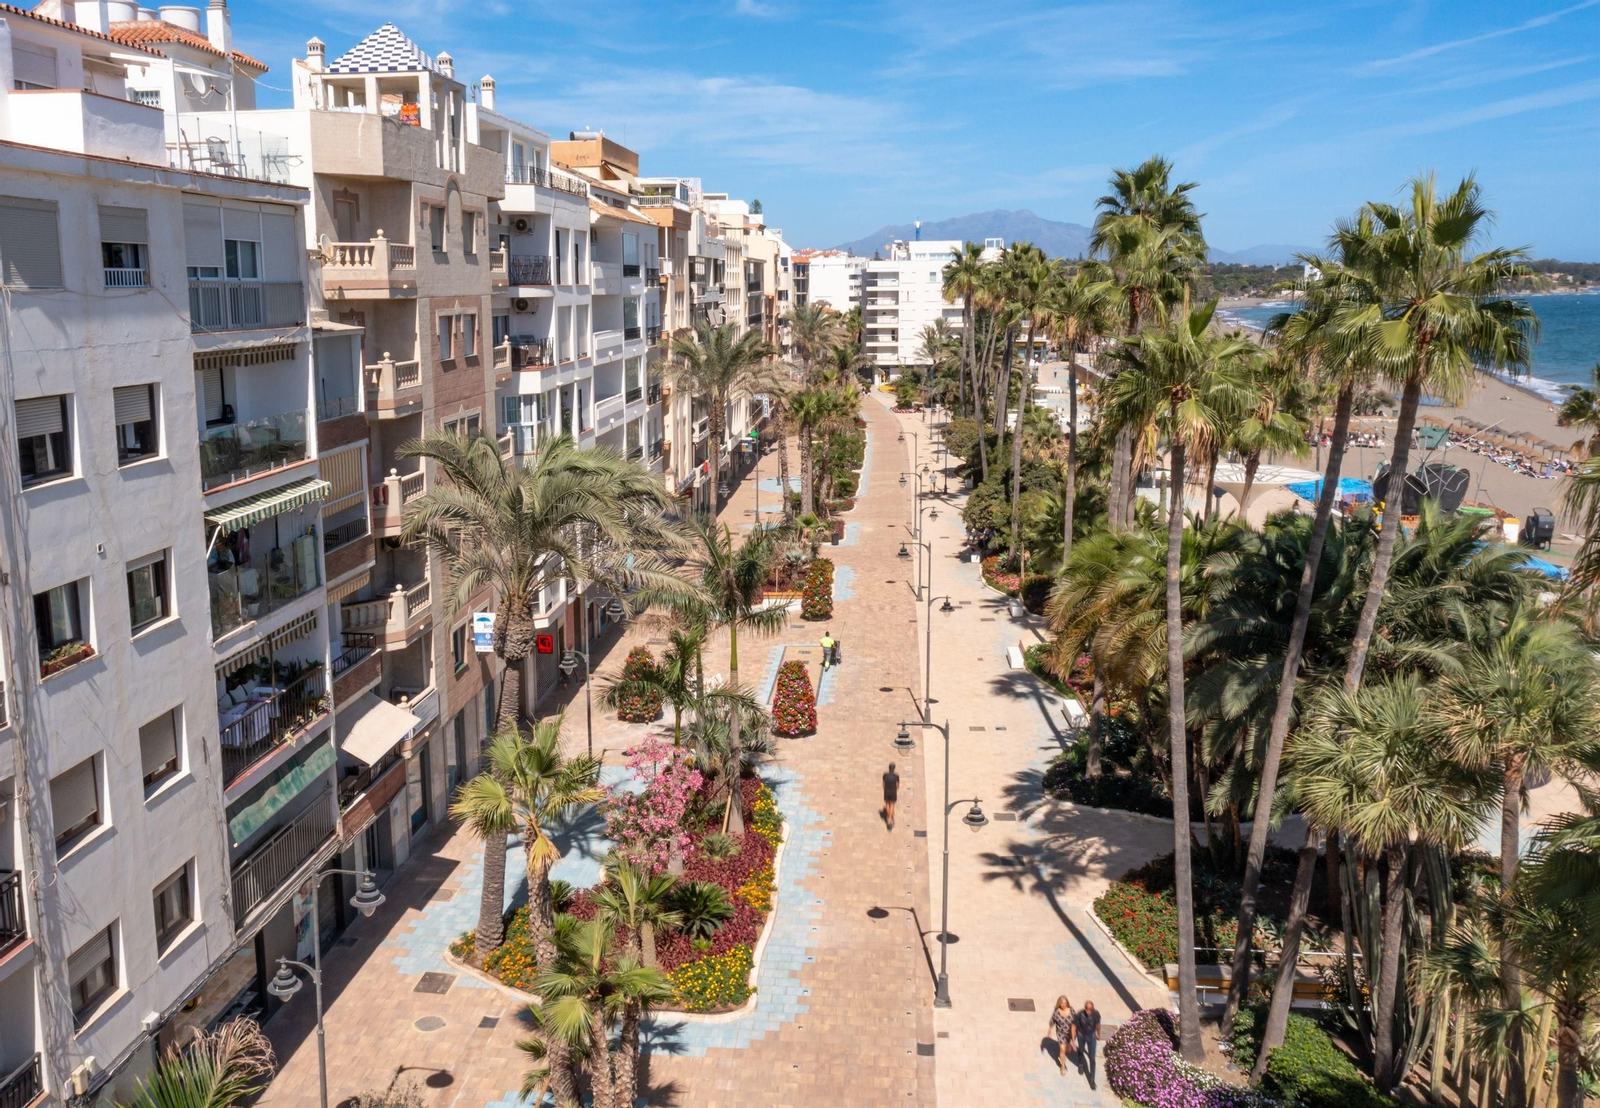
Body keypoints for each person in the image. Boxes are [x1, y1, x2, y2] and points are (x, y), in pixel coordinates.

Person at [1075, 1000, 1102, 1088]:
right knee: (1081, 1051)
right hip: (1081, 1036)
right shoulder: (1080, 1014)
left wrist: (1098, 1034)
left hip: (1091, 1037)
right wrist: (1073, 1039)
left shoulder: (1096, 1015)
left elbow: (1098, 1024)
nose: (1088, 1011)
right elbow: (1074, 1026)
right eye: (1087, 1009)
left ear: (1093, 1009)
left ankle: (1092, 1080)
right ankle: (1081, 1064)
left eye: (1090, 1009)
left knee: (1092, 1058)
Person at [1048, 996, 1076, 1077]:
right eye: (1061, 1003)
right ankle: (1062, 1066)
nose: (1063, 1005)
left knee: (1068, 1050)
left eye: (1064, 1003)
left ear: (1067, 1003)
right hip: (1061, 1033)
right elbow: (1053, 1020)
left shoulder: (1071, 1010)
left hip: (1070, 1033)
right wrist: (1050, 1028)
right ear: (1059, 1004)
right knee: (1062, 1050)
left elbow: (1076, 1020)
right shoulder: (1057, 1012)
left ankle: (1068, 1045)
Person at [881, 762, 899, 830]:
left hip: (887, 791)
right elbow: (897, 786)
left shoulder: (885, 775)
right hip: (893, 792)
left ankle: (889, 817)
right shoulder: (896, 776)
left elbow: (883, 785)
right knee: (892, 804)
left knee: (887, 804)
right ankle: (890, 819)